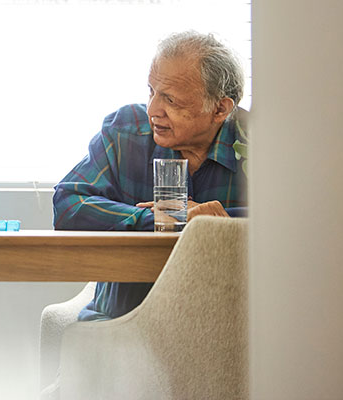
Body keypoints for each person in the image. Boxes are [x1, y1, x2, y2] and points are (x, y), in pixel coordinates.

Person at [53, 30, 248, 321]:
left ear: (220, 108)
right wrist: (165, 218)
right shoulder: (126, 130)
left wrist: (215, 223)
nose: (153, 109)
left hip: (221, 329)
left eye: (170, 99)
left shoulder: (258, 142)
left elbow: (292, 223)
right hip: (118, 322)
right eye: (151, 91)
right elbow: (68, 204)